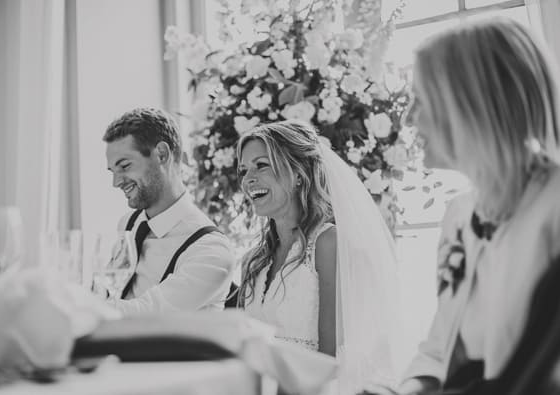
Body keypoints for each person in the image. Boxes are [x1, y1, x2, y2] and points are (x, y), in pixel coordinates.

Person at [384, 16, 560, 394]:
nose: (408, 117)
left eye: (421, 99)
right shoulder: (460, 215)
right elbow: (440, 349)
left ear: (471, 104)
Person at [234, 120, 400, 394]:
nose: (248, 179)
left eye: (261, 165)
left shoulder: (326, 244)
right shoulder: (252, 261)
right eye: (243, 170)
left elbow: (330, 354)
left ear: (298, 173)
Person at [101, 107, 236, 315]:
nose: (116, 182)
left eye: (125, 166)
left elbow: (146, 316)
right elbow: (107, 294)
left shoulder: (211, 251)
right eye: (113, 171)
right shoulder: (128, 224)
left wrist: (73, 305)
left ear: (161, 154)